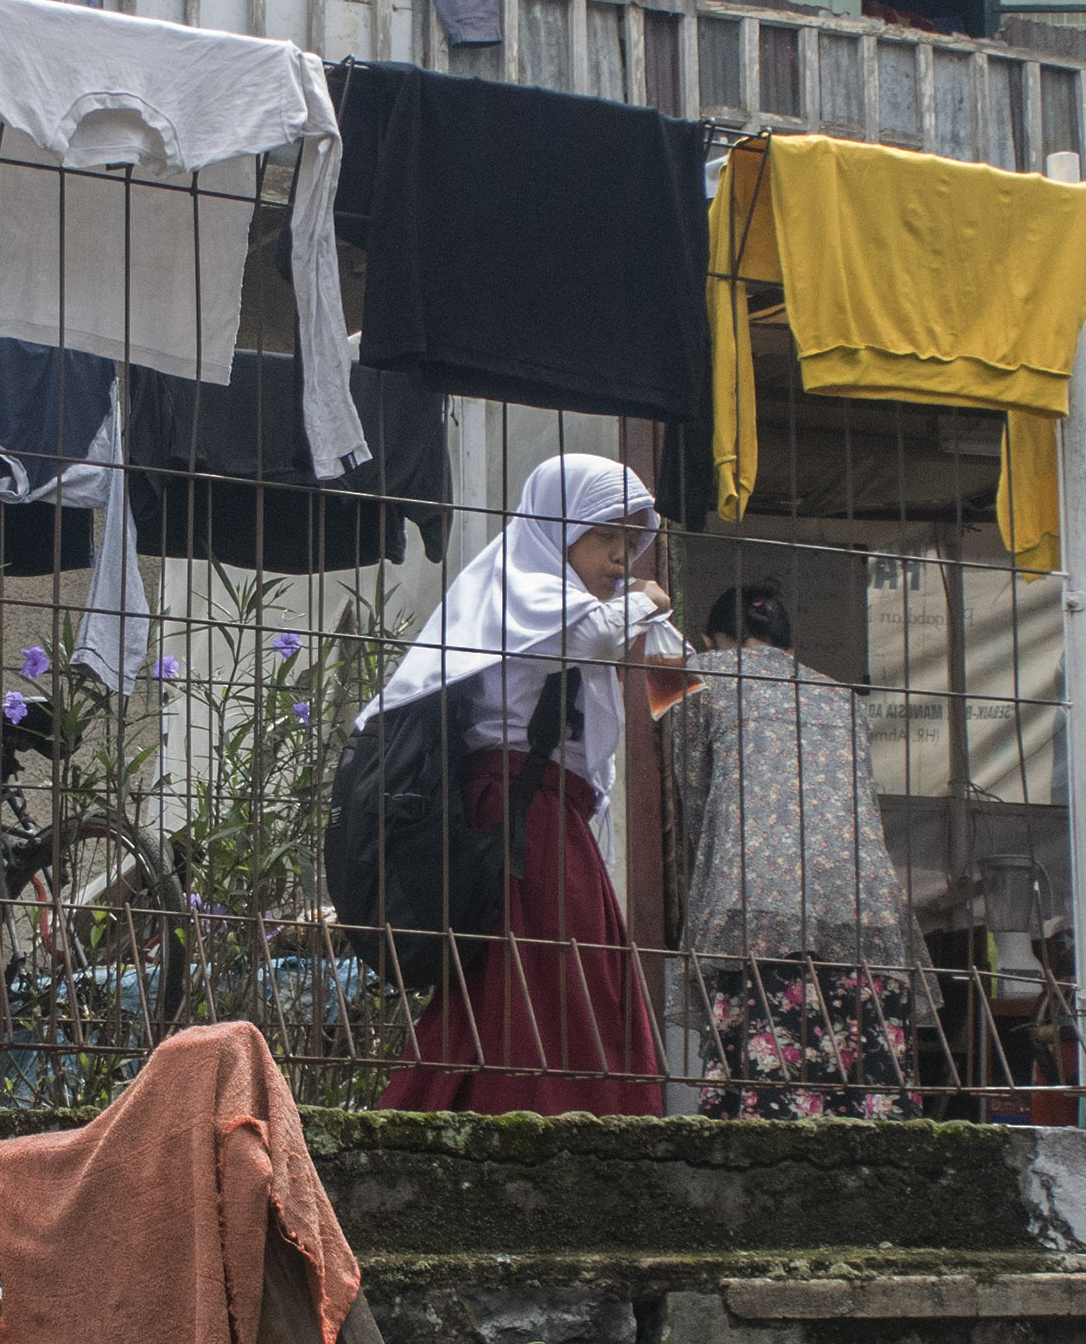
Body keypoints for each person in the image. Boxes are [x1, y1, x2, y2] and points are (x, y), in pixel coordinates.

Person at [373, 452, 691, 1116]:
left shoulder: (560, 604)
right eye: (605, 536)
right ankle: (546, 1114)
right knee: (545, 973)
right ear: (557, 525)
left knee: (550, 975)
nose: (621, 557)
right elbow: (593, 637)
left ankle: (526, 1111)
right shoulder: (520, 592)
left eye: (629, 541)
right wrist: (647, 599)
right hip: (518, 807)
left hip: (545, 811)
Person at [667, 583, 919, 1118]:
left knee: (769, 1085)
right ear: (790, 650)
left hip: (757, 890)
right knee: (859, 1070)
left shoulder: (701, 675)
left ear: (711, 641)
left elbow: (693, 792)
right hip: (864, 895)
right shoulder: (842, 696)